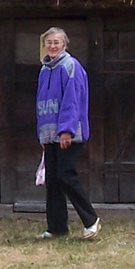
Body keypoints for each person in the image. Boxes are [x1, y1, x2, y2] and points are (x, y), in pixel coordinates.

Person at [36, 27, 100, 240]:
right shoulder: (44, 70)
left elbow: (72, 101)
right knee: (53, 180)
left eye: (57, 42)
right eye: (49, 42)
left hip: (69, 133)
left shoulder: (70, 67)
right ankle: (56, 227)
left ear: (64, 45)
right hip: (50, 135)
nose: (53, 46)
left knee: (65, 174)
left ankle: (91, 220)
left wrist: (66, 131)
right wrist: (43, 135)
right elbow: (42, 104)